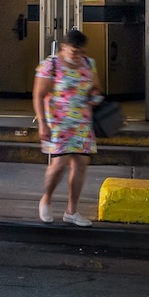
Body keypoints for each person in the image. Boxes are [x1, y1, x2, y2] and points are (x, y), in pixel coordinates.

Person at [33, 27, 98, 226]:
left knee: (80, 164)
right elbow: (39, 95)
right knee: (59, 163)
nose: (77, 55)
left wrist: (95, 96)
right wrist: (42, 123)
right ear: (64, 47)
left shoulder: (88, 63)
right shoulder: (50, 65)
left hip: (82, 122)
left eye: (81, 52)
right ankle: (46, 198)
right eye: (73, 51)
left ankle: (72, 210)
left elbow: (96, 86)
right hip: (58, 122)